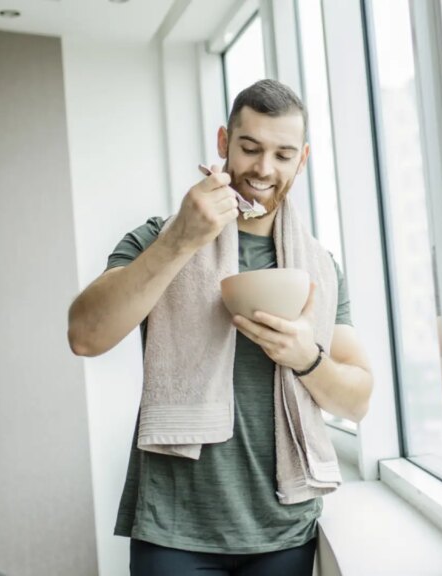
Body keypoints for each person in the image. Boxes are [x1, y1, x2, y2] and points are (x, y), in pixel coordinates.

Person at [67, 79, 373, 576]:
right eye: (250, 148)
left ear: (302, 159)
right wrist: (181, 240)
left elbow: (357, 399)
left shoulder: (319, 267)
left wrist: (307, 358)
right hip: (173, 530)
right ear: (223, 142)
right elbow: (85, 335)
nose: (264, 169)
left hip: (284, 529)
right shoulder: (159, 236)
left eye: (283, 154)